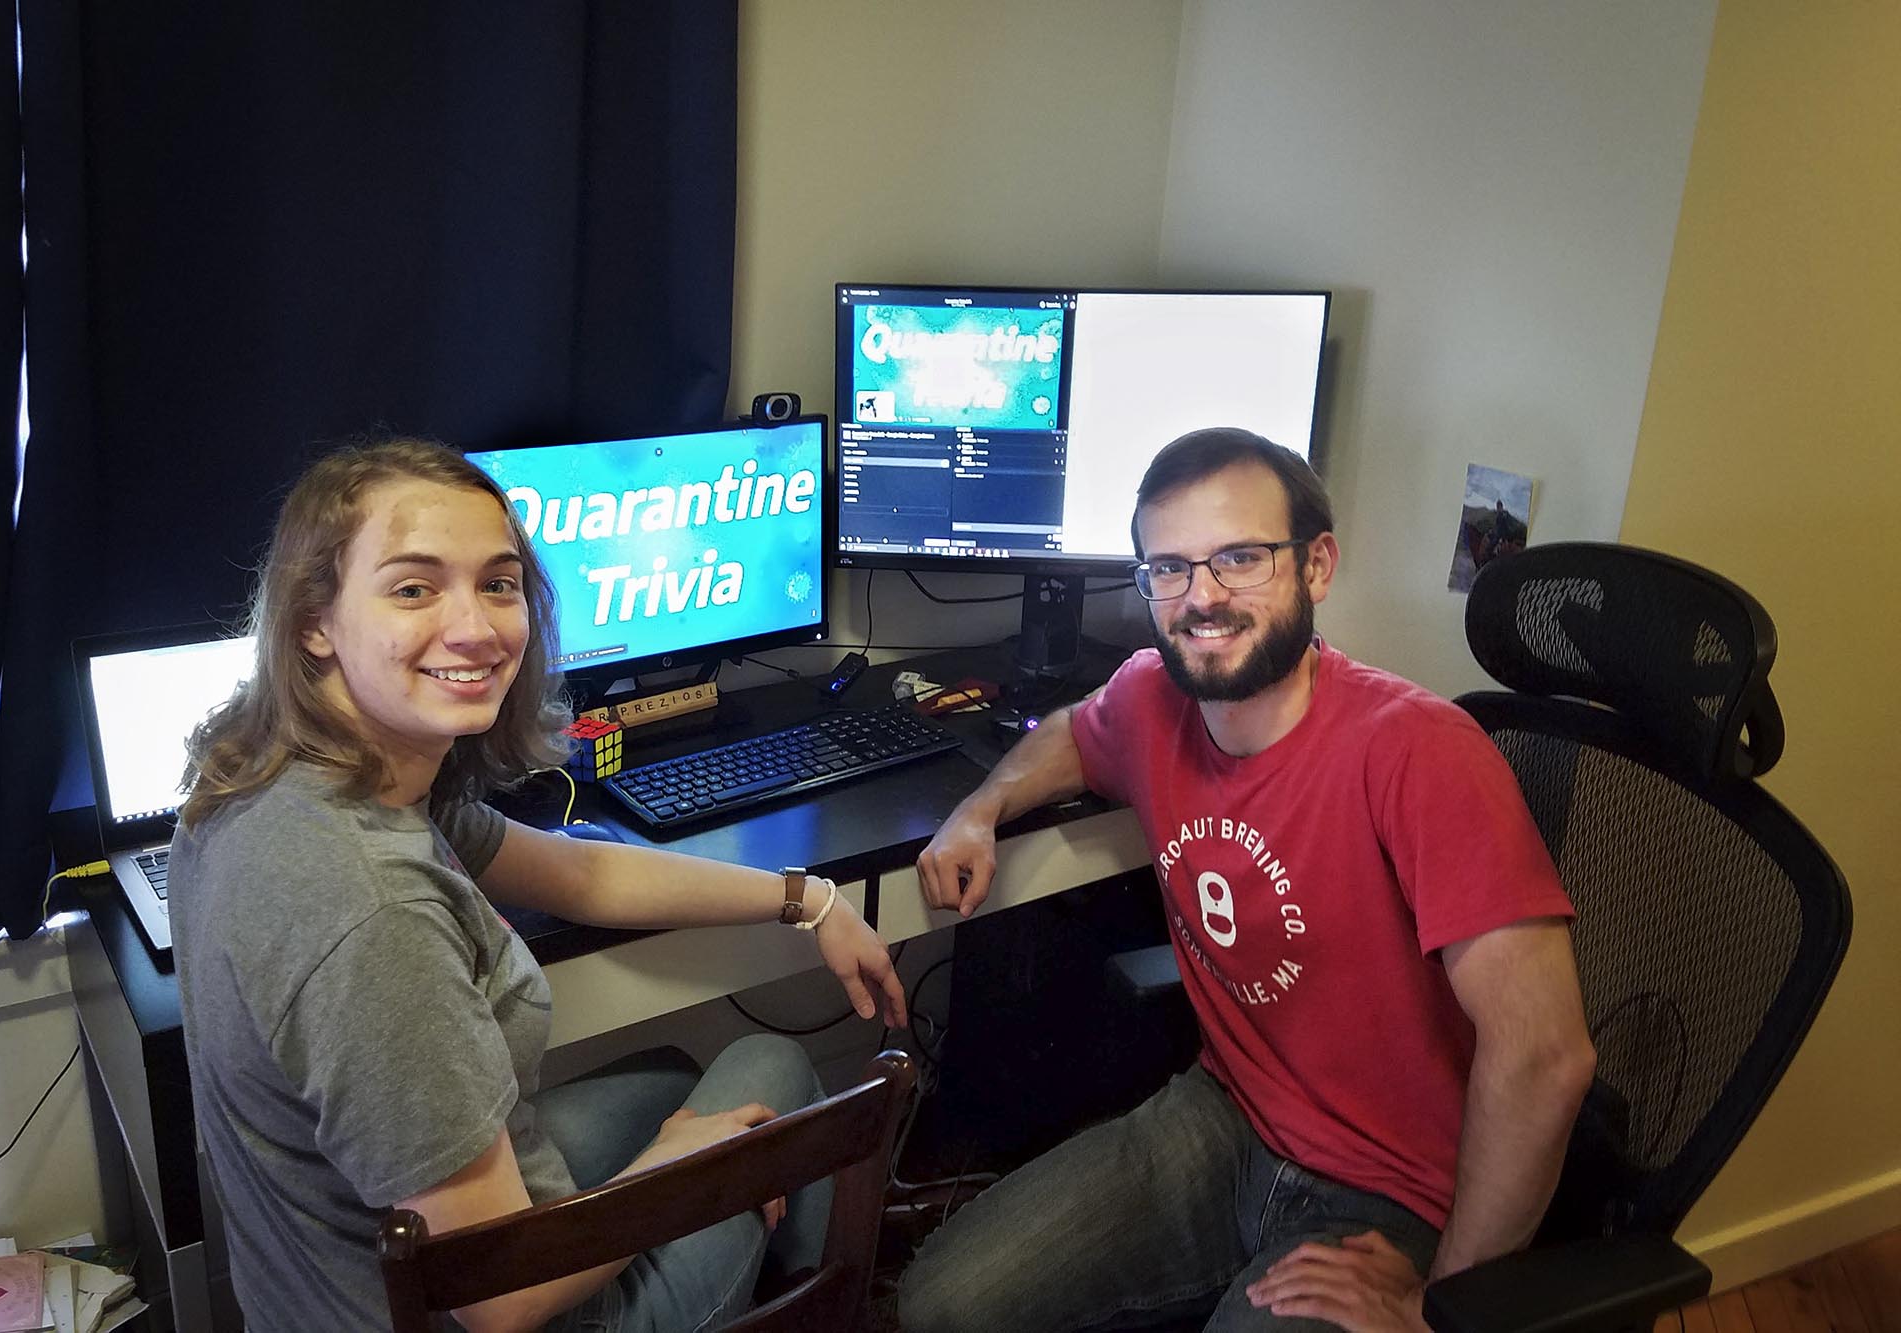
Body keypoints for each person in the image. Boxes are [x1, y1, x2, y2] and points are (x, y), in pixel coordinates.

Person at [170, 437, 908, 1332]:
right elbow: (503, 1298)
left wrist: (807, 898)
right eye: (413, 587)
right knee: (773, 1072)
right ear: (315, 622)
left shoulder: (281, 779)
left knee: (673, 1075)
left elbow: (579, 870)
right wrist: (667, 1166)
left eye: (498, 581)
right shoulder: (370, 907)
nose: (476, 627)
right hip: (490, 1302)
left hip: (332, 1282)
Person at [899, 428, 1595, 1332]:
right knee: (939, 1303)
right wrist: (979, 809)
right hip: (1226, 1119)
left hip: (1396, 1195)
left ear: (1317, 566)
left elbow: (1547, 1057)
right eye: (1172, 569)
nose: (1203, 599)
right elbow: (1071, 732)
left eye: (1239, 558)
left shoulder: (1419, 755)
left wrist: (1444, 1308)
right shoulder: (1155, 696)